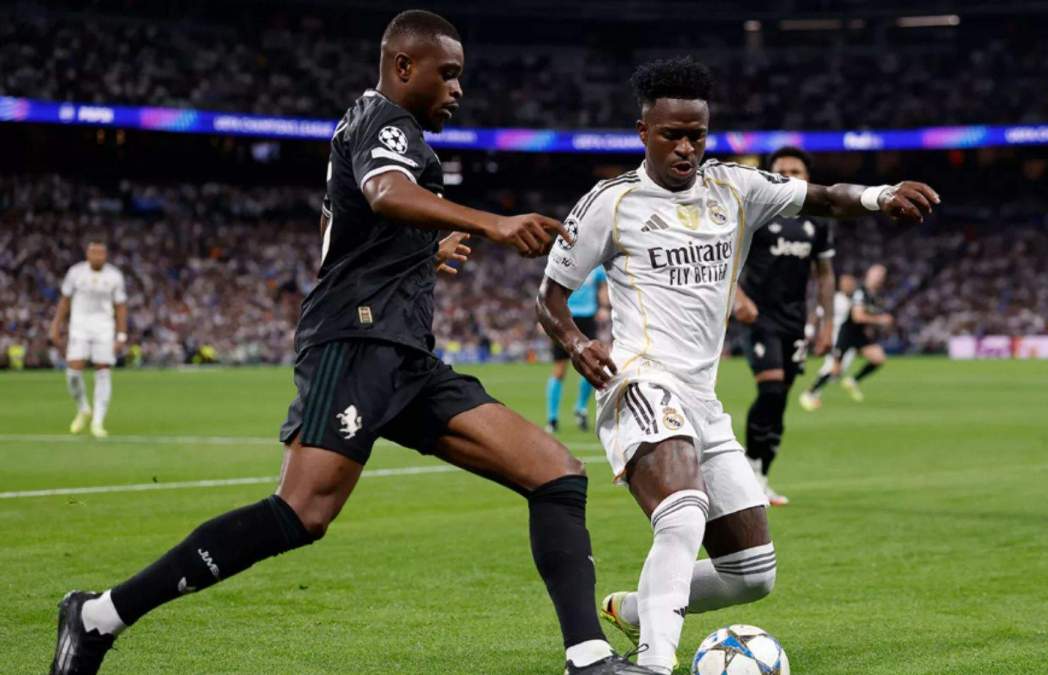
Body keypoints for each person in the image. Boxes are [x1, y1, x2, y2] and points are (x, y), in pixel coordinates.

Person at [51, 11, 651, 675]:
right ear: (402, 67)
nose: (457, 89)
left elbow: (344, 227)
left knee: (555, 471)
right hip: (355, 342)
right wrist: (492, 222)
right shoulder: (386, 122)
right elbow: (384, 193)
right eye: (446, 74)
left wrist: (422, 251)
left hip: (405, 355)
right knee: (303, 511)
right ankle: (97, 615)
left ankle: (588, 656)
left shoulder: (374, 128)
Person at [536, 57, 938, 673]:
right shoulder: (609, 204)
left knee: (752, 574)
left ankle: (637, 609)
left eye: (697, 134)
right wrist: (575, 341)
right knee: (684, 511)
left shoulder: (736, 187)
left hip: (701, 397)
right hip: (639, 382)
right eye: (671, 134)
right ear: (642, 130)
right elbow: (549, 297)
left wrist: (880, 195)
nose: (686, 147)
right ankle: (653, 664)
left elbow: (822, 198)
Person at [732, 146, 835, 506]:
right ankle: (747, 470)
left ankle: (760, 475)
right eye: (781, 171)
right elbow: (724, 258)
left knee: (780, 401)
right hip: (758, 317)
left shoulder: (817, 222)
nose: (789, 177)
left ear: (808, 178)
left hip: (794, 322)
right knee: (771, 390)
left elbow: (825, 276)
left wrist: (827, 325)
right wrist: (736, 296)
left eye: (796, 171)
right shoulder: (754, 215)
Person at [49, 238, 128, 438]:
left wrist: (121, 335)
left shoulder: (114, 276)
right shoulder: (75, 273)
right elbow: (65, 301)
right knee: (73, 372)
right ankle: (84, 408)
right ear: (87, 254)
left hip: (104, 327)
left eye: (101, 253)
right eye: (94, 252)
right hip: (79, 327)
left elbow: (120, 306)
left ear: (106, 255)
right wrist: (55, 326)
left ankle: (98, 422)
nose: (97, 256)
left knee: (103, 371)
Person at [803, 264, 892, 405]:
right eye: (876, 274)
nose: (879, 278)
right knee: (835, 369)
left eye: (881, 275)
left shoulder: (874, 295)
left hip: (859, 335)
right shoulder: (860, 292)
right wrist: (880, 320)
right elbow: (857, 317)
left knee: (878, 358)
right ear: (869, 274)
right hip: (846, 334)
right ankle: (810, 393)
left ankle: (852, 381)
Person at [547, 266, 609, 432]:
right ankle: (552, 418)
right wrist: (546, 314)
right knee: (560, 370)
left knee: (592, 367)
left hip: (588, 318)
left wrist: (603, 307)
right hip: (564, 318)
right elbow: (550, 287)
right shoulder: (565, 256)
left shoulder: (597, 264)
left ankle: (580, 408)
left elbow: (602, 287)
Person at [800, 274, 859, 411]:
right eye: (846, 283)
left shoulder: (851, 300)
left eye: (851, 283)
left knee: (838, 369)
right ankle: (810, 393)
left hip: (846, 340)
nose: (849, 285)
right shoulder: (835, 299)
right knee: (833, 367)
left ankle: (814, 393)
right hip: (833, 339)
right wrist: (810, 330)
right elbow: (818, 314)